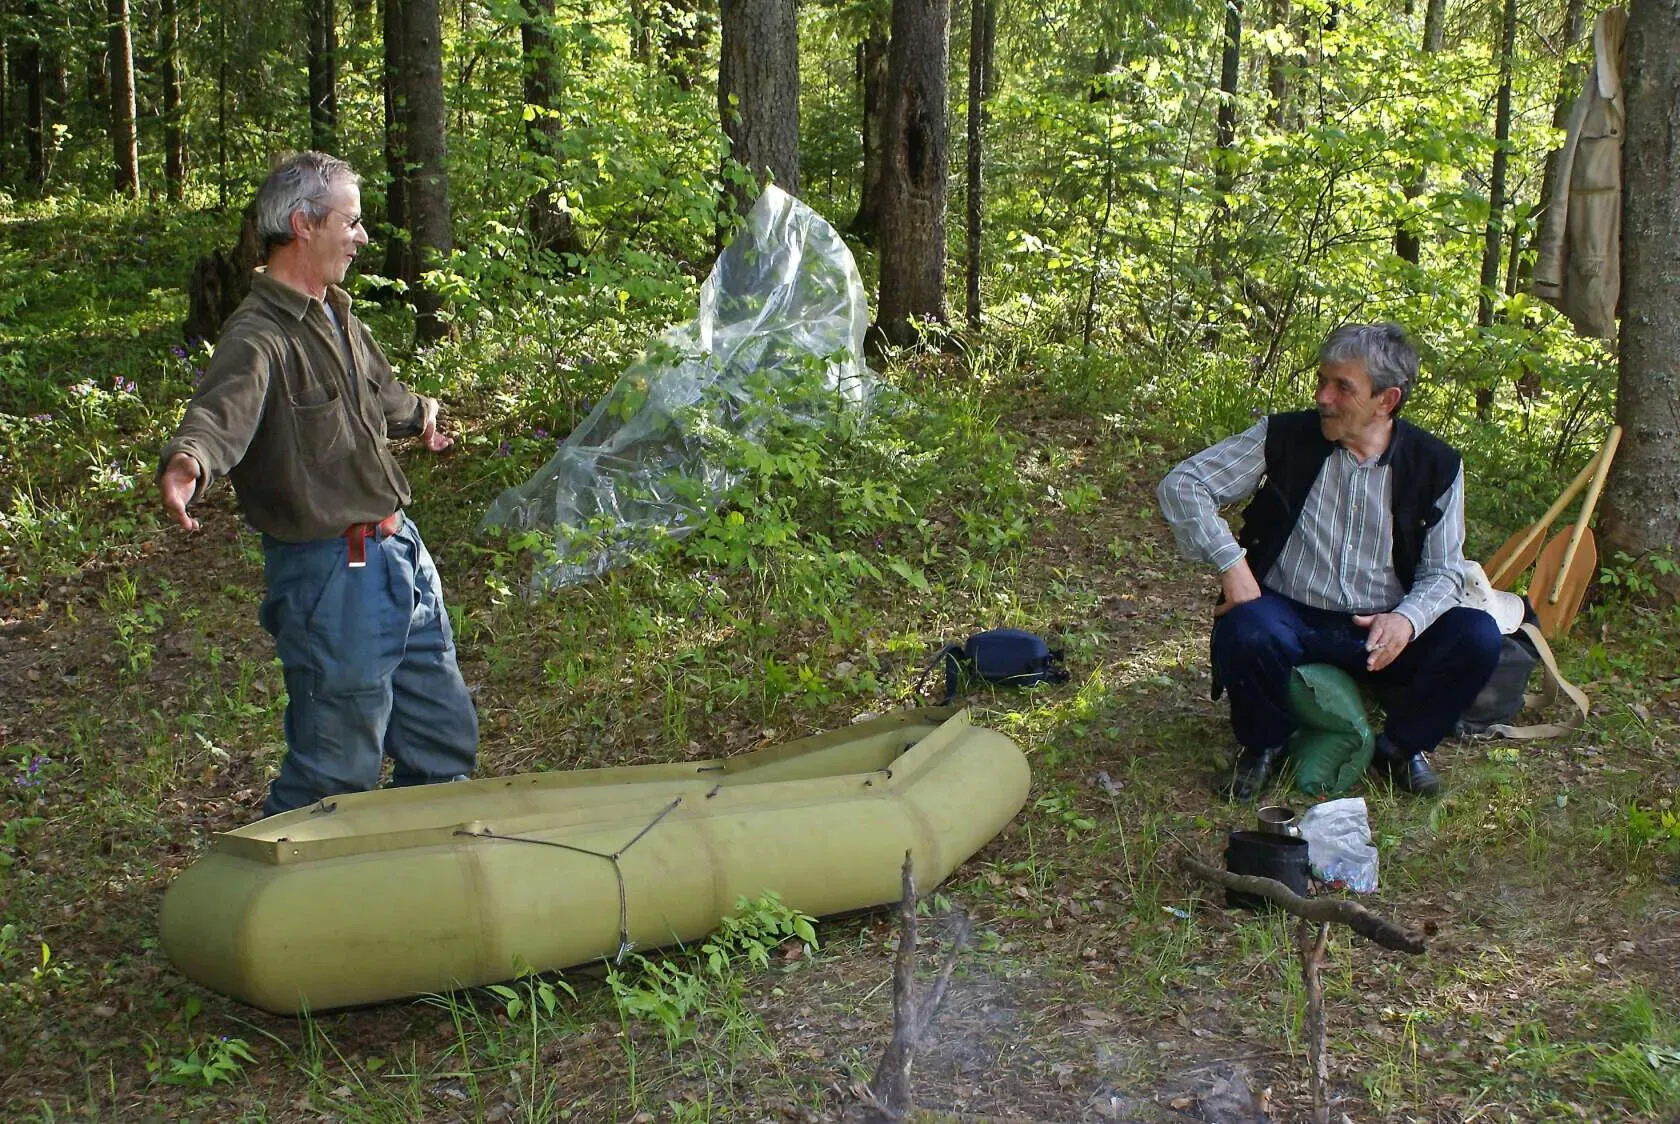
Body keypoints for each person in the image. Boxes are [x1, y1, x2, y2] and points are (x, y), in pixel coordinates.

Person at [157, 151, 478, 817]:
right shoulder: (260, 334)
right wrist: (190, 460)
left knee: (442, 739)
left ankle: (421, 879)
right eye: (351, 222)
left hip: (399, 557)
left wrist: (422, 419)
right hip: (333, 577)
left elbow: (382, 394)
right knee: (336, 768)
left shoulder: (337, 314)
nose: (361, 237)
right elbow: (221, 413)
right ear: (303, 224)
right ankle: (285, 898)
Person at [1157, 323, 1501, 800]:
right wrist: (1231, 565)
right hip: (1290, 613)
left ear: (1387, 400)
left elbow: (1444, 569)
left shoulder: (1436, 464)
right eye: (1322, 381)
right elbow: (1184, 484)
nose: (1323, 397)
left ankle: (1400, 747)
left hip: (1378, 626)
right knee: (1246, 626)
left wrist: (1406, 620)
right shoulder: (1285, 437)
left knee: (1478, 637)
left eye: (1343, 387)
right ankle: (1262, 744)